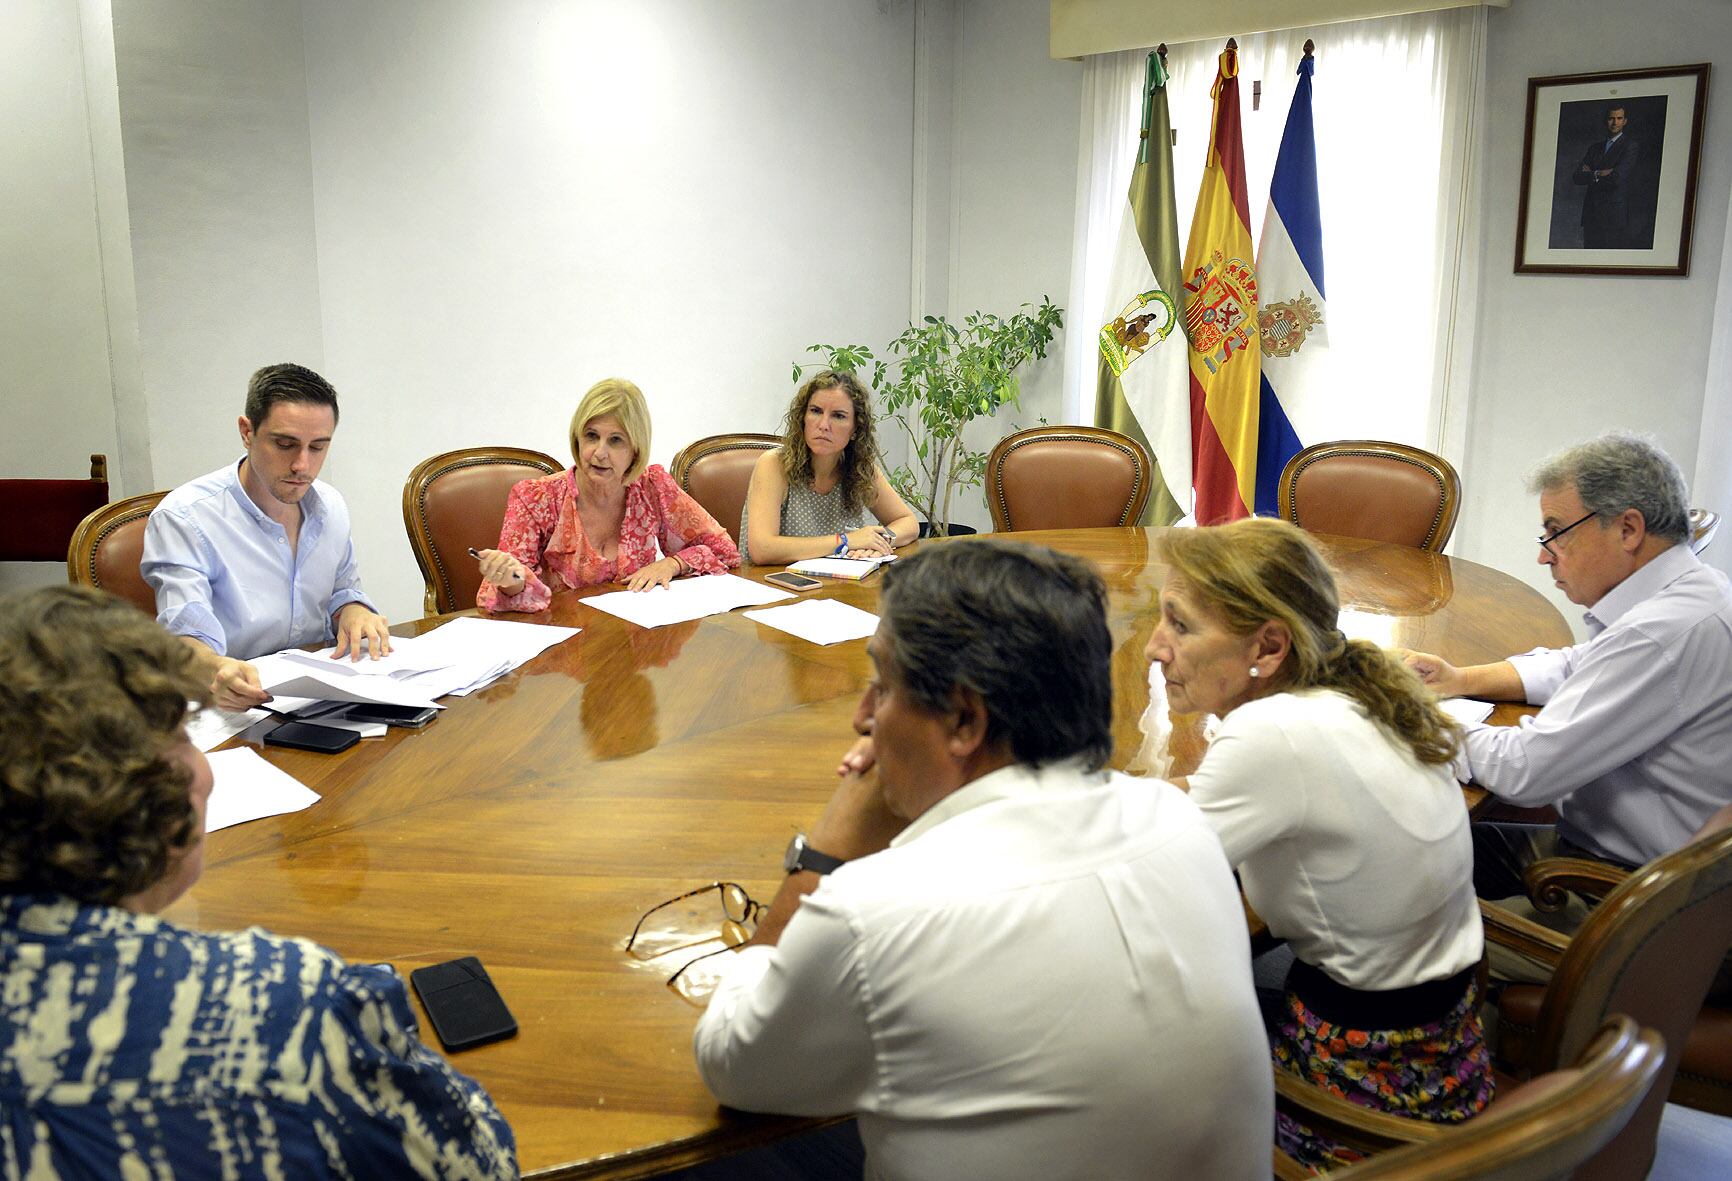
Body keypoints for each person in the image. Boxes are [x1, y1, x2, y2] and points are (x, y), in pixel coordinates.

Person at [692, 540, 1271, 1181]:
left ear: (965, 720)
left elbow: (732, 1063)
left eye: (883, 687)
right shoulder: (1179, 824)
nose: (864, 718)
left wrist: (825, 855)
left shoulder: (873, 911)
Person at [0, 586, 517, 1179]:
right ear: (144, 787)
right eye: (182, 733)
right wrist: (369, 1026)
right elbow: (479, 1162)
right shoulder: (281, 1006)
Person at [1145, 518, 1491, 1170]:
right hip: (1444, 1046)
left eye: (1181, 624)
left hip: (1362, 1090)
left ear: (1269, 647)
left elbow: (1142, 878)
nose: (1156, 647)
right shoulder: (1353, 689)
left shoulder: (1273, 733)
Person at [1402, 433, 1732, 910]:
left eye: (1556, 531)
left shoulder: (1659, 635)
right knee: (1421, 843)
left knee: (1391, 861)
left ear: (1628, 530)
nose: (1543, 554)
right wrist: (1460, 680)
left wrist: (1409, 716)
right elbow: (1584, 663)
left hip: (1624, 900)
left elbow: (1524, 770)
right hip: (1644, 872)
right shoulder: (1699, 591)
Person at [142, 363, 391, 713]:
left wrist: (353, 609)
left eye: (318, 447)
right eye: (285, 444)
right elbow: (185, 640)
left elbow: (342, 590)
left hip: (322, 697)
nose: (302, 465)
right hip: (232, 707)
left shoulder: (330, 505)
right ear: (247, 431)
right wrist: (217, 670)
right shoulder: (185, 518)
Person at [476, 377, 738, 610]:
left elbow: (724, 551)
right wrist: (509, 579)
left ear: (635, 450)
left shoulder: (652, 486)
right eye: (591, 436)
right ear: (577, 438)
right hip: (563, 649)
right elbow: (503, 591)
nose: (599, 453)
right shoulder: (536, 498)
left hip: (635, 641)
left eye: (615, 440)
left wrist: (671, 564)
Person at [737, 370, 917, 565]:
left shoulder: (861, 469)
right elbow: (763, 549)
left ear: (856, 429)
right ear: (802, 418)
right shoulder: (774, 464)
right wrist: (846, 541)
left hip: (840, 585)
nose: (823, 425)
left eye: (838, 416)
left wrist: (879, 541)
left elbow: (908, 522)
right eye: (815, 411)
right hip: (774, 585)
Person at [1573, 104, 1639, 249]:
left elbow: (1616, 178)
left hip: (1613, 216)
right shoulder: (1594, 148)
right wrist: (1599, 173)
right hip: (1591, 214)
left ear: (1625, 121)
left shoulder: (1630, 146)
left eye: (1619, 118)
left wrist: (1590, 173)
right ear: (1605, 121)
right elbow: (1577, 177)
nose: (1615, 122)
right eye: (1611, 118)